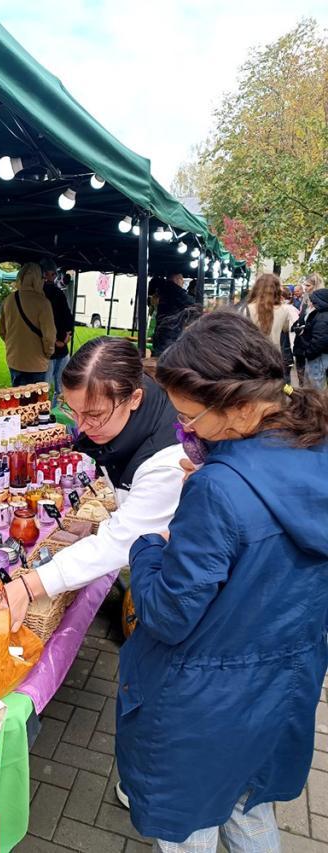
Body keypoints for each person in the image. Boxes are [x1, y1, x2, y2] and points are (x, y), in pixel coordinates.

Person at [117, 311, 328, 851]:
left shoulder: (218, 491)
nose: (183, 429)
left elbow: (167, 613)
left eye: (189, 416)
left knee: (188, 825)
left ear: (235, 408)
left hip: (203, 702)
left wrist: (149, 547)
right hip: (280, 688)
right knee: (248, 806)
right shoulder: (313, 449)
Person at [6, 335, 185, 632]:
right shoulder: (133, 420)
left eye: (94, 415)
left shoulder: (165, 462)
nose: (82, 427)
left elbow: (122, 542)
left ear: (134, 398)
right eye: (73, 412)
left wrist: (32, 585)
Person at [0, 262, 56, 386]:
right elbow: (49, 337)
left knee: (16, 401)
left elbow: (2, 332)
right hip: (37, 364)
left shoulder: (8, 300)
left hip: (14, 360)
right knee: (34, 404)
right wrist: (47, 353)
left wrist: (14, 347)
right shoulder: (43, 303)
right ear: (38, 279)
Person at [41, 258, 74, 408]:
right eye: (49, 274)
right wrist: (57, 341)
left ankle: (56, 419)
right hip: (48, 350)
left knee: (62, 389)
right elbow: (41, 326)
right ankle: (44, 419)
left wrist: (67, 335)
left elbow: (67, 316)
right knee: (44, 390)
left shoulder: (58, 294)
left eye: (54, 274)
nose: (51, 277)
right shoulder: (39, 295)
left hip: (61, 348)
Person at [293, 273, 325, 386]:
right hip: (301, 349)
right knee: (304, 385)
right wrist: (296, 326)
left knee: (313, 387)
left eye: (308, 285)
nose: (305, 288)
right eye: (304, 285)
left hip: (313, 352)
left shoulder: (322, 306)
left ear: (316, 285)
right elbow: (302, 321)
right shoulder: (306, 302)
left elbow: (321, 333)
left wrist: (309, 352)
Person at [151, 273, 194, 356]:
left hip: (163, 329)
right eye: (182, 280)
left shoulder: (165, 289)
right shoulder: (174, 290)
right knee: (167, 357)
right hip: (170, 331)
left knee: (161, 355)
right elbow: (191, 302)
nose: (183, 283)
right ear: (177, 280)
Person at [299, 288, 328, 390]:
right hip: (320, 356)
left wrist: (308, 352)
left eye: (313, 300)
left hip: (318, 357)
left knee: (316, 388)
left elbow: (320, 339)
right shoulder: (321, 313)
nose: (311, 302)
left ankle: (317, 405)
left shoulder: (322, 316)